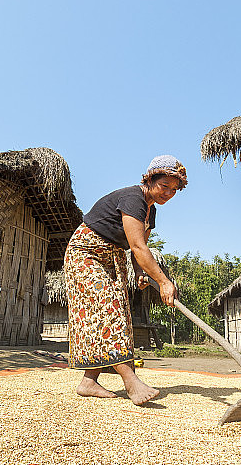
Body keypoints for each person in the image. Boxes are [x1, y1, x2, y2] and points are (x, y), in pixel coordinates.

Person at [64, 155, 186, 405]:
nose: (169, 193)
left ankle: (89, 381)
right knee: (110, 309)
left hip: (113, 257)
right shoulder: (133, 199)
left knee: (117, 313)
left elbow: (135, 251)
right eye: (164, 186)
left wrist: (140, 273)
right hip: (86, 253)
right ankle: (131, 383)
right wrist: (164, 281)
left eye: (174, 189)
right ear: (150, 179)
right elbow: (139, 247)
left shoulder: (150, 213)